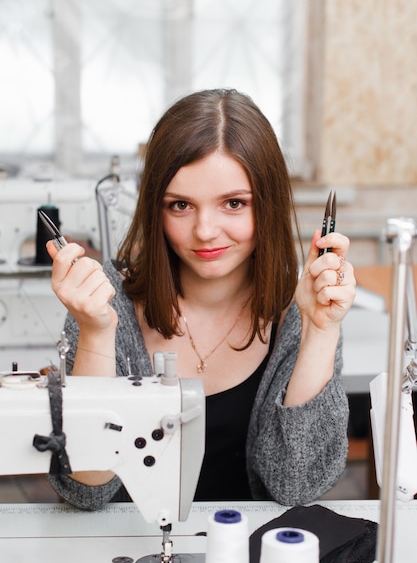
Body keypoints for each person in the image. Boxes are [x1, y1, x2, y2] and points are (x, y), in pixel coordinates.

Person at [46, 88, 356, 509]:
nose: (205, 230)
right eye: (180, 205)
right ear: (155, 209)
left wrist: (321, 332)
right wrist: (97, 333)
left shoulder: (301, 312)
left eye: (233, 203)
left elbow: (295, 486)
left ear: (267, 204)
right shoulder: (105, 304)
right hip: (118, 562)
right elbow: (88, 488)